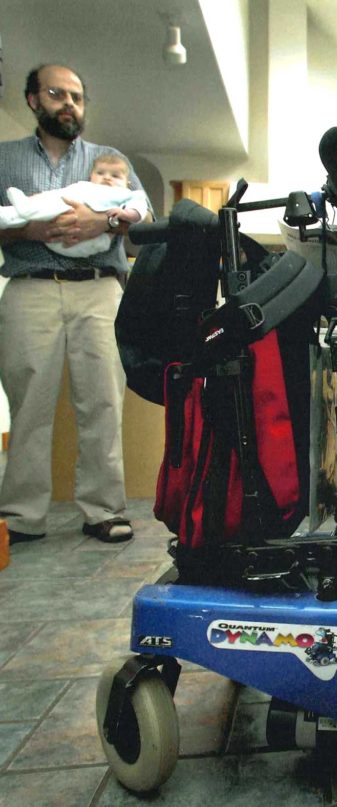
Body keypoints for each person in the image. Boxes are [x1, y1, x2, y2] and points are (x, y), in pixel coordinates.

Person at [0, 64, 152, 545]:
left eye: (77, 97)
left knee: (104, 400)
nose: (69, 104)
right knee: (28, 404)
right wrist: (31, 229)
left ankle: (104, 510)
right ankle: (21, 516)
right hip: (30, 287)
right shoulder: (4, 160)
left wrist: (101, 225)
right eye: (57, 94)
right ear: (32, 100)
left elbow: (143, 216)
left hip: (99, 287)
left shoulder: (108, 158)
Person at [0, 153, 148, 258]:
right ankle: (11, 213)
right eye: (100, 173)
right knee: (52, 205)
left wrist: (116, 219)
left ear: (127, 183)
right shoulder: (85, 187)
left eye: (115, 176)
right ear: (91, 176)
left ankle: (25, 207)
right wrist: (38, 200)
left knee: (46, 208)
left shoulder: (128, 194)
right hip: (55, 240)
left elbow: (142, 214)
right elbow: (59, 194)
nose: (107, 178)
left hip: (92, 246)